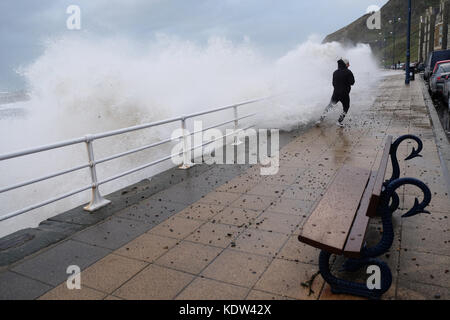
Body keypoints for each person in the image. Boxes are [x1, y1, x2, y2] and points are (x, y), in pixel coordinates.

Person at [317, 58, 355, 128]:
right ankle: (339, 121)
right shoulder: (348, 72)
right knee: (346, 107)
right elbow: (352, 82)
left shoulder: (335, 72)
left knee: (329, 106)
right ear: (344, 64)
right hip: (345, 94)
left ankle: (320, 119)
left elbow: (333, 83)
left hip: (336, 93)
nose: (349, 65)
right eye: (348, 63)